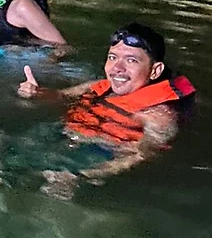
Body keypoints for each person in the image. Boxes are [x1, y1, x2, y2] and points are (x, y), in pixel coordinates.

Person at [16, 22, 195, 196]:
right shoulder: (98, 86)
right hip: (60, 136)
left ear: (155, 71)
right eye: (112, 57)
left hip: (96, 156)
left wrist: (81, 176)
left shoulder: (158, 115)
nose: (117, 68)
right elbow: (60, 96)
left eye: (131, 60)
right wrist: (36, 93)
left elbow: (140, 155)